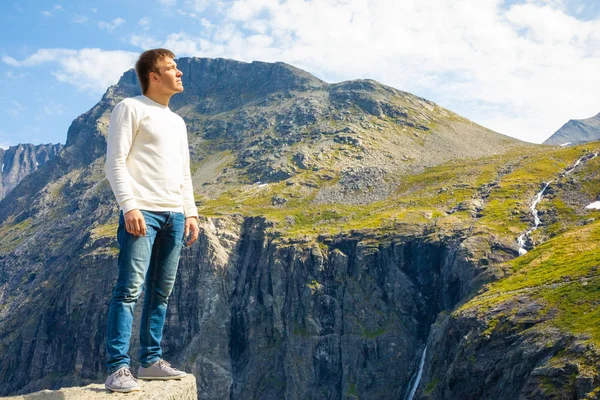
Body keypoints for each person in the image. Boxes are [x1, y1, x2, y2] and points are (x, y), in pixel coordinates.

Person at [103, 48, 199, 393]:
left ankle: (150, 362)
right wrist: (130, 207)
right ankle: (117, 368)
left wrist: (190, 212)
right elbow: (114, 163)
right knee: (129, 290)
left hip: (174, 214)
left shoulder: (177, 121)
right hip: (142, 211)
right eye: (172, 68)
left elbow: (183, 172)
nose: (180, 73)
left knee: (161, 292)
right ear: (154, 77)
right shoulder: (129, 108)